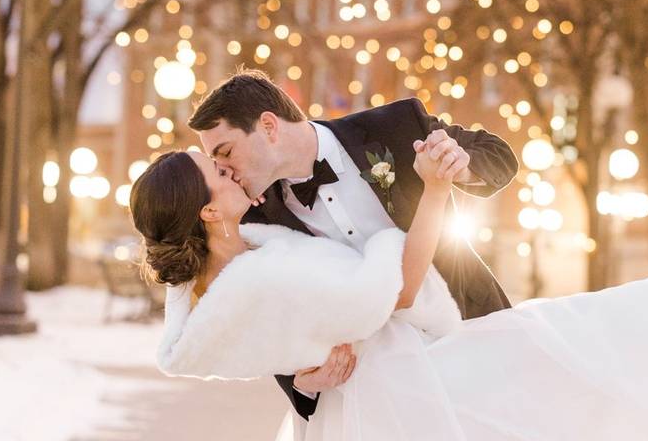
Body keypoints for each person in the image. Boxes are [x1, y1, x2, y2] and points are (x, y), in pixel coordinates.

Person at [132, 144, 648, 440]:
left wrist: (306, 371)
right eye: (215, 175)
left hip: (365, 403)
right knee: (578, 347)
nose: (229, 173)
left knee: (571, 353)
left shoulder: (214, 287)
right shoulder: (265, 269)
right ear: (207, 211)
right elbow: (394, 291)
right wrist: (422, 202)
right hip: (404, 386)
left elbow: (276, 337)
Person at [183, 70, 519, 418]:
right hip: (383, 394)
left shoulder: (396, 125)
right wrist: (302, 385)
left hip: (473, 331)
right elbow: (279, 319)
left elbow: (499, 155)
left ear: (268, 126)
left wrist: (458, 166)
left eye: (226, 152)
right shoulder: (257, 221)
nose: (225, 169)